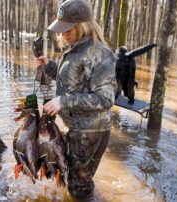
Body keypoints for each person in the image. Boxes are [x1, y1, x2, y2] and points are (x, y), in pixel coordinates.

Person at [34, 0, 117, 200]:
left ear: (83, 26)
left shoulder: (100, 54)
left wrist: (64, 102)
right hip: (79, 128)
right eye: (61, 30)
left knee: (78, 187)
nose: (62, 35)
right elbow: (73, 81)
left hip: (90, 131)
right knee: (74, 178)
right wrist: (50, 66)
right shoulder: (75, 48)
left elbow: (105, 98)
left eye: (67, 30)